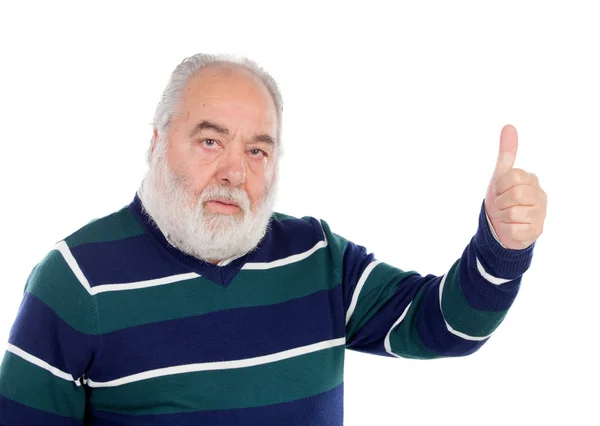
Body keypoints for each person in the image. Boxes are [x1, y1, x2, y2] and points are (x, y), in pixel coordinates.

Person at [0, 53, 547, 426]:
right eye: (210, 140)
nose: (235, 172)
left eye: (257, 150)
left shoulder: (318, 258)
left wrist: (500, 244)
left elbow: (445, 326)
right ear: (157, 141)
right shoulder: (74, 281)